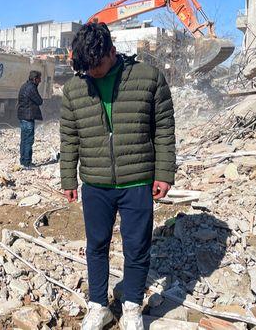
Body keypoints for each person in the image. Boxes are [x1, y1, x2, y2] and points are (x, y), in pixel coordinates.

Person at [60, 23, 176, 330]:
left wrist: (164, 173)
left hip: (138, 180)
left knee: (136, 246)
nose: (92, 74)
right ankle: (99, 306)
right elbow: (69, 136)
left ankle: (132, 307)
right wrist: (68, 179)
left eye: (96, 67)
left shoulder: (148, 78)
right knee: (96, 244)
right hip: (95, 183)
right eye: (86, 69)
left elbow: (164, 128)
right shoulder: (74, 88)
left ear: (112, 51)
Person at [17, 70, 44, 170]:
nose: (40, 81)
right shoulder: (31, 88)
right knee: (28, 140)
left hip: (22, 116)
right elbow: (39, 101)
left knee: (24, 140)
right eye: (39, 79)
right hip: (28, 117)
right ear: (35, 79)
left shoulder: (24, 86)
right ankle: (27, 163)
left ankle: (23, 161)